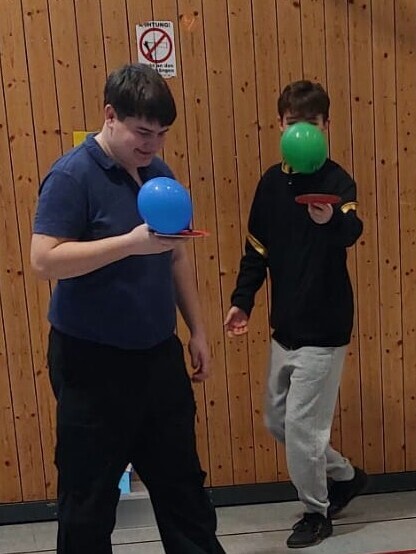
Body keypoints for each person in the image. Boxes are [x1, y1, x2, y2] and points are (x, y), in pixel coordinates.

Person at [31, 63, 226, 554]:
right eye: (142, 132)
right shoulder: (72, 175)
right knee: (88, 500)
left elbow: (176, 255)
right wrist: (128, 244)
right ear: (110, 115)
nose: (152, 144)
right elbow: (44, 260)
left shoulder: (159, 174)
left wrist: (197, 330)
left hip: (158, 357)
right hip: (91, 364)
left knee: (184, 489)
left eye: (161, 134)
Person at [224, 80, 367, 549]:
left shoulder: (337, 182)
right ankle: (345, 476)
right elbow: (256, 249)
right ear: (280, 126)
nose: (301, 130)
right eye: (292, 123)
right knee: (278, 422)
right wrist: (242, 300)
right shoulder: (270, 184)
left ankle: (316, 513)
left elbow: (351, 229)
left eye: (311, 123)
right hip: (284, 327)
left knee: (304, 429)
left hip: (325, 329)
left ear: (326, 126)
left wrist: (331, 221)